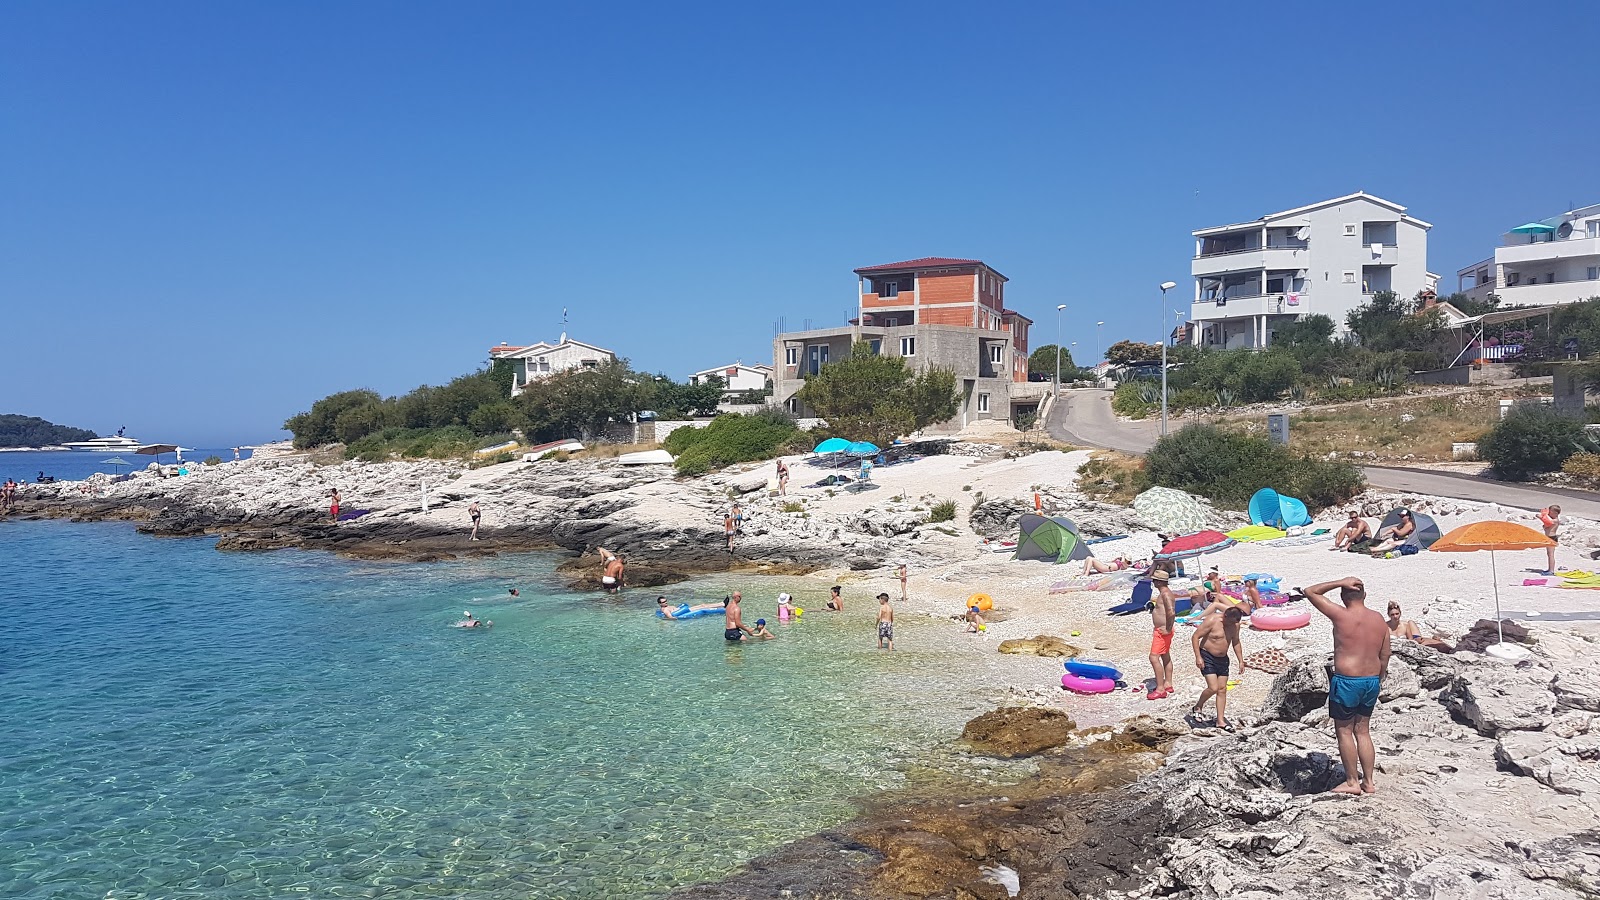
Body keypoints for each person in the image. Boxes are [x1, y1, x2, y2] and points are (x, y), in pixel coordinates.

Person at [1299, 577, 1390, 795]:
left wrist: (1340, 581)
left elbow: (1310, 591)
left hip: (1348, 681)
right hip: (1371, 680)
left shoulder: (1341, 614)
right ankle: (1368, 781)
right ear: (1365, 596)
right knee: (1363, 731)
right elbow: (1385, 653)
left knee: (1344, 731)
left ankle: (1352, 782)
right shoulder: (1378, 619)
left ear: (1342, 596)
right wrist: (1380, 677)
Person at [1190, 606, 1246, 729]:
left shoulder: (1235, 625)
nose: (1232, 625)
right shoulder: (1212, 621)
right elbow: (1195, 637)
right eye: (1230, 622)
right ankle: (1198, 706)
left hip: (1223, 659)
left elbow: (1236, 641)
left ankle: (1220, 720)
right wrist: (1198, 657)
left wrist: (1241, 660)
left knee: (1222, 689)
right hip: (1207, 656)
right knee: (1213, 687)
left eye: (1235, 622)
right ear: (1225, 616)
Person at [1146, 570, 1178, 700]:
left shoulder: (1165, 594)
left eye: (1154, 580)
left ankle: (1160, 689)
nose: (1153, 582)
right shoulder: (1164, 593)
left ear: (1159, 581)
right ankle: (1168, 682)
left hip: (1162, 631)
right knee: (1165, 655)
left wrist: (1168, 628)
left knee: (1154, 657)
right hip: (1163, 629)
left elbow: (1171, 612)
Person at [1540, 505, 1562, 576]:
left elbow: (1547, 521)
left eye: (1550, 511)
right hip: (1549, 537)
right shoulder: (1553, 520)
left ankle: (1551, 570)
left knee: (1551, 555)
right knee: (1549, 554)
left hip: (1551, 538)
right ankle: (1550, 569)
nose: (1549, 512)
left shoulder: (1555, 520)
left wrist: (1542, 516)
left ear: (1555, 513)